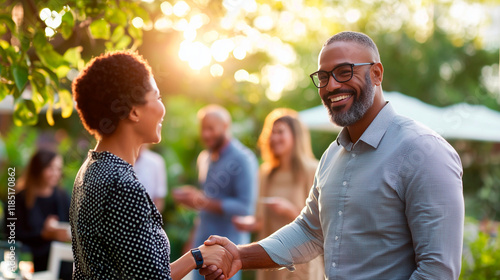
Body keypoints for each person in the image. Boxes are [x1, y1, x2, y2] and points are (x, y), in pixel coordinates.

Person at [201, 31, 465, 280]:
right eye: (324, 77)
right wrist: (239, 255)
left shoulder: (424, 151)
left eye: (344, 72)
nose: (331, 86)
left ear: (376, 73)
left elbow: (437, 271)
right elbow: (310, 231)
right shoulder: (331, 155)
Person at [70, 51, 233, 280]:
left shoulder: (89, 169)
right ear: (134, 111)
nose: (162, 109)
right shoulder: (122, 186)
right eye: (157, 97)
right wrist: (196, 257)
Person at [232, 108, 324, 280]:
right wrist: (247, 223)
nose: (274, 138)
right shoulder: (265, 173)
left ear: (296, 136)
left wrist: (289, 210)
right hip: (270, 263)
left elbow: (321, 224)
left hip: (301, 266)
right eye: (271, 133)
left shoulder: (313, 170)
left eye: (280, 132)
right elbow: (260, 221)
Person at [173, 104, 258, 280]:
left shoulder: (243, 159)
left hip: (226, 254)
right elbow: (204, 205)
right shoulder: (204, 158)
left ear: (226, 127)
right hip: (200, 249)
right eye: (203, 129)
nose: (205, 134)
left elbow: (245, 208)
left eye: (211, 129)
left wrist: (202, 201)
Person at [14, 149, 71, 273]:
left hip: (59, 263)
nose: (56, 173)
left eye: (59, 169)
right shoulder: (19, 199)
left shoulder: (62, 196)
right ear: (38, 168)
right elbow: (14, 234)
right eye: (50, 168)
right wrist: (43, 234)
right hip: (28, 263)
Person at [134, 145, 168, 212]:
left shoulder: (156, 161)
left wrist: (150, 219)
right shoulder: (118, 159)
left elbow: (159, 198)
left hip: (148, 217)